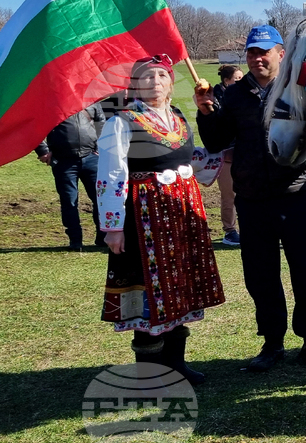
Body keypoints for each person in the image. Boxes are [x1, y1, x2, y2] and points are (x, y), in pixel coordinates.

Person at [195, 25, 306, 372]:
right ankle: (272, 343)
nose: (258, 58)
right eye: (252, 53)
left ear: (280, 54)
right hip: (253, 199)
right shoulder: (234, 95)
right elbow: (215, 142)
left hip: (295, 195)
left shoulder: (296, 89)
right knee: (261, 276)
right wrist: (206, 112)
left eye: (264, 52)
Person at [97, 55, 225, 386]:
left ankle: (176, 366)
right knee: (148, 295)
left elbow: (194, 158)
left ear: (171, 82)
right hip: (144, 216)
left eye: (161, 75)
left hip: (181, 214)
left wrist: (225, 150)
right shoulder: (121, 121)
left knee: (177, 287)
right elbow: (112, 173)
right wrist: (112, 226)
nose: (155, 80)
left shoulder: (179, 117)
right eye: (146, 76)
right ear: (134, 84)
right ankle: (150, 375)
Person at [35, 103, 106, 250]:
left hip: (92, 159)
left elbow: (101, 124)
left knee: (101, 199)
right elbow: (35, 126)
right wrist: (43, 150)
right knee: (69, 202)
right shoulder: (50, 103)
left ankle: (103, 237)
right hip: (64, 161)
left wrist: (100, 148)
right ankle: (75, 241)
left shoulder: (91, 100)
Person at [214, 64, 244, 247]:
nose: (241, 82)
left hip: (242, 152)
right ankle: (230, 231)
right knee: (229, 194)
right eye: (237, 79)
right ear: (227, 81)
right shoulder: (217, 100)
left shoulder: (241, 96)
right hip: (226, 154)